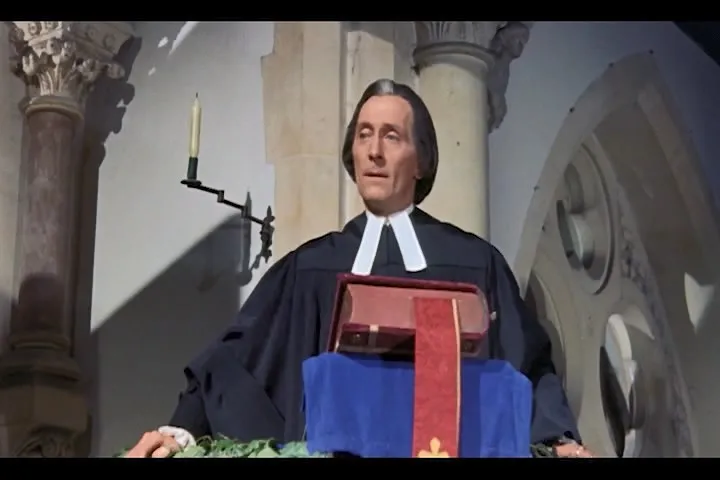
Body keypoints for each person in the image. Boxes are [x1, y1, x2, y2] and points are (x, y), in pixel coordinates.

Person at [126, 79, 593, 458]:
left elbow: (528, 364)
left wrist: (558, 439)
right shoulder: (309, 268)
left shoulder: (473, 263)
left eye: (391, 136)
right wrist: (181, 430)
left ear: (422, 160)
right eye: (364, 134)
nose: (374, 151)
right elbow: (234, 360)